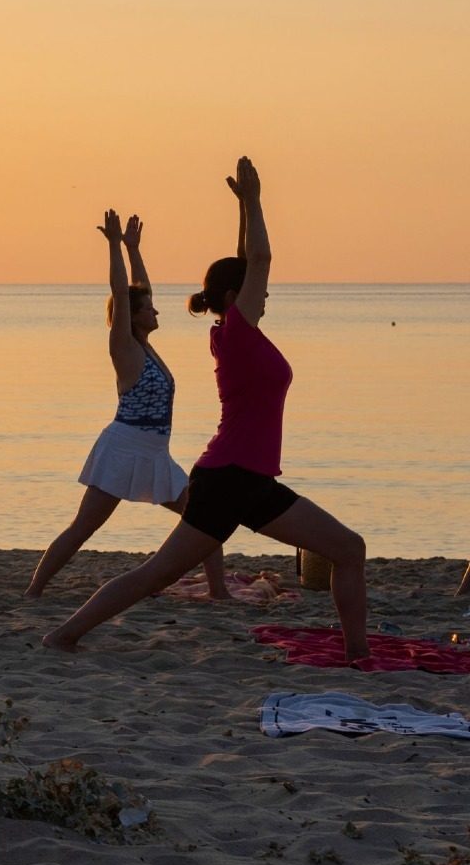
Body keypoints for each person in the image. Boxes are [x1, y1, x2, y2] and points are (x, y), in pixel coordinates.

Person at [45, 158, 369, 659]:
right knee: (155, 573)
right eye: (256, 290)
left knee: (348, 549)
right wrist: (257, 201)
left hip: (248, 480)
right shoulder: (237, 334)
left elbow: (246, 262)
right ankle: (63, 634)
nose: (268, 294)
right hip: (230, 479)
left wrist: (241, 207)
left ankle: (358, 656)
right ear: (237, 298)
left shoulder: (240, 333)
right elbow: (258, 259)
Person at [25, 212, 228, 599]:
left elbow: (138, 289)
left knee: (204, 518)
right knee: (83, 528)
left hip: (155, 453)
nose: (156, 311)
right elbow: (123, 293)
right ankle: (34, 591)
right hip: (122, 449)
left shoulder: (147, 348)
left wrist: (135, 249)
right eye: (149, 308)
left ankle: (218, 592)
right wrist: (114, 245)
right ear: (133, 317)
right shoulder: (125, 349)